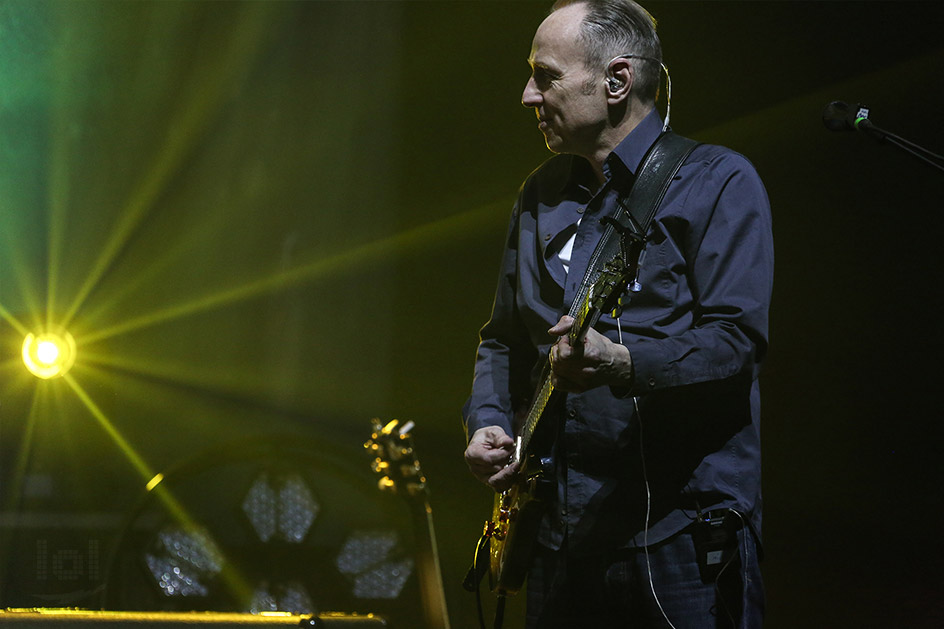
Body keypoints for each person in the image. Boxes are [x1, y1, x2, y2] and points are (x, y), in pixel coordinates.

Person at [462, 0, 773, 627]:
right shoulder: (540, 193)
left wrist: (624, 361)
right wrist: (487, 421)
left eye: (545, 76)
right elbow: (503, 339)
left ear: (616, 80)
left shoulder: (717, 181)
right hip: (558, 533)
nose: (527, 96)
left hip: (679, 533)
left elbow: (736, 341)